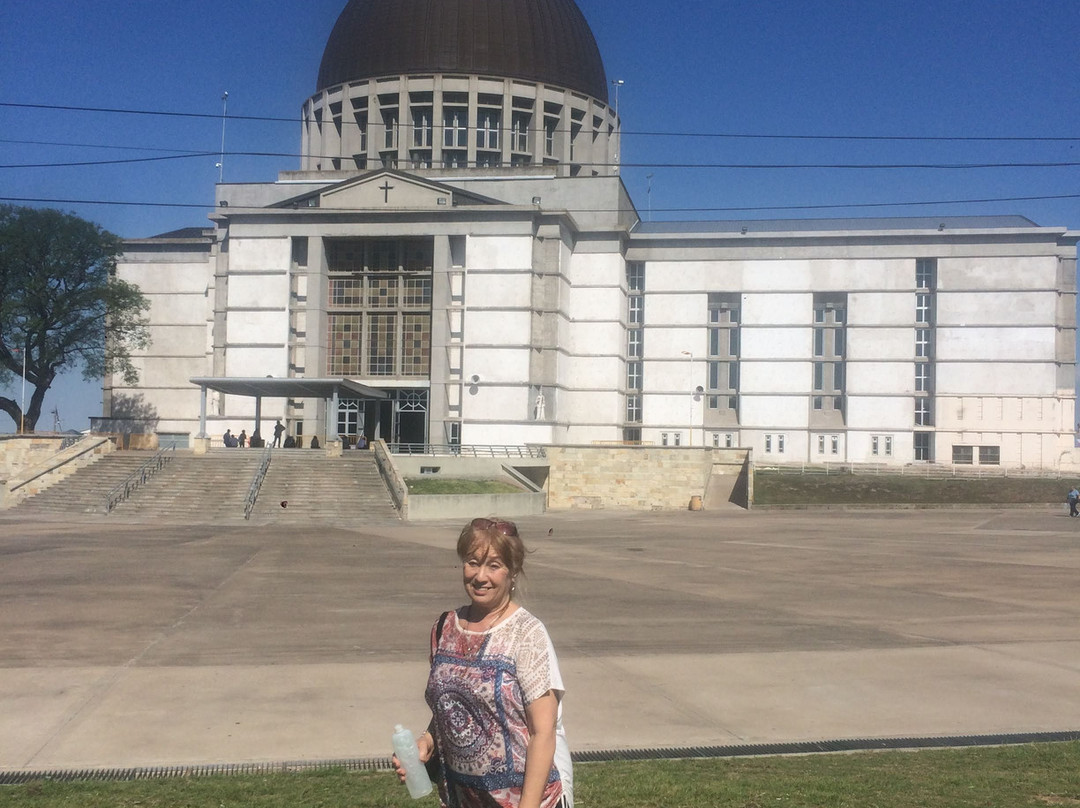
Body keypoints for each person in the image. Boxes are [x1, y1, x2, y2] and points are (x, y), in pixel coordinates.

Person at [395, 517, 572, 808]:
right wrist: (426, 742)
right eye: (473, 562)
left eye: (494, 565)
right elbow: (454, 707)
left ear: (512, 572)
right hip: (462, 799)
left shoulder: (526, 633)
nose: (480, 576)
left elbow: (543, 732)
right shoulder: (444, 627)